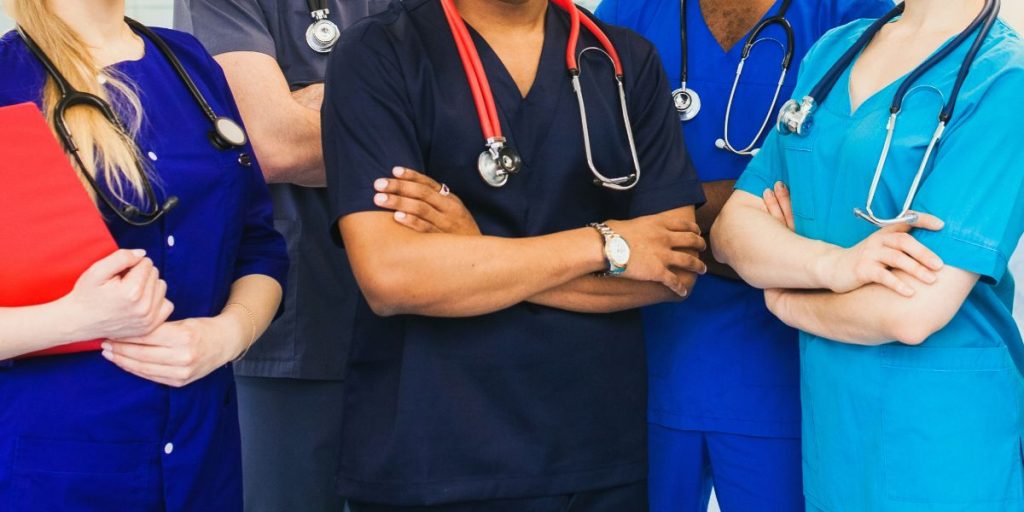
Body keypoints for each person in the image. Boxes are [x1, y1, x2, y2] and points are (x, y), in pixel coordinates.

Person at [322, 0, 708, 509]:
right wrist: (605, 245)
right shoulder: (381, 52)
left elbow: (671, 267)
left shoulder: (622, 59)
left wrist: (473, 250)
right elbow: (392, 277)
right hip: (434, 451)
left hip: (595, 454)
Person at [712, 0, 1024, 510]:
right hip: (835, 436)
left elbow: (911, 311)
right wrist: (835, 266)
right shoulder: (834, 51)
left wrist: (788, 300)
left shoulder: (1005, 79)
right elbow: (731, 231)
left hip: (944, 446)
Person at [593, 0, 891, 510]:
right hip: (640, 372)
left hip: (790, 381)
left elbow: (854, 200)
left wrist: (654, 214)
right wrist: (754, 218)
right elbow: (579, 185)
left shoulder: (852, 14)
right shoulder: (628, 11)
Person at [0, 0, 287, 510]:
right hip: (59, 466)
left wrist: (229, 334)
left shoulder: (189, 62)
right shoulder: (6, 80)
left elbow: (258, 246)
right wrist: (73, 319)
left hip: (204, 455)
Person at [172, 1, 388, 509]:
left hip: (439, 313)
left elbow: (468, 130)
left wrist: (317, 105)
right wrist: (393, 113)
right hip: (298, 315)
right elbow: (274, 145)